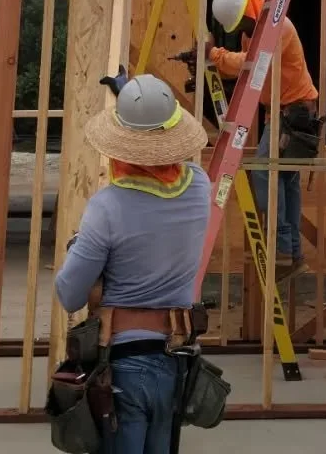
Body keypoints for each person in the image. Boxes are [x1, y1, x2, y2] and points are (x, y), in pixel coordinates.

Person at [55, 73, 210, 454]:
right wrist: (135, 98)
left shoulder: (107, 208)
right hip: (175, 361)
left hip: (124, 366)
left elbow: (70, 294)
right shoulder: (200, 187)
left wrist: (80, 246)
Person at [206, 0, 318, 273]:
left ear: (246, 12)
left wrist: (214, 55)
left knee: (264, 172)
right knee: (285, 179)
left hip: (293, 113)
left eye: (239, 22)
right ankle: (292, 254)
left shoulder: (276, 28)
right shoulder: (254, 31)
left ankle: (282, 249)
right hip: (284, 112)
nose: (239, 30)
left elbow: (252, 64)